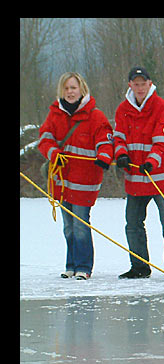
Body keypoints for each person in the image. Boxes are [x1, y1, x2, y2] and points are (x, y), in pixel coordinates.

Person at [113, 66, 164, 280]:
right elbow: (118, 137)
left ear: (149, 83)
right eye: (135, 84)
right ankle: (139, 267)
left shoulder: (162, 108)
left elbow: (163, 142)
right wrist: (121, 155)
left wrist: (151, 162)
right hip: (135, 179)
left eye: (142, 83)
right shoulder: (122, 110)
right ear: (130, 85)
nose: (139, 87)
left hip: (160, 179)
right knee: (133, 225)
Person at [38, 72, 114, 280]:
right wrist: (53, 153)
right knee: (68, 227)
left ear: (82, 89)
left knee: (81, 224)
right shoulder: (55, 115)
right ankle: (70, 264)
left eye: (73, 88)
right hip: (62, 181)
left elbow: (105, 140)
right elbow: (45, 139)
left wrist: (104, 156)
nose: (70, 92)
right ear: (61, 91)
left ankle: (84, 267)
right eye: (66, 88)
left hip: (85, 181)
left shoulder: (95, 115)